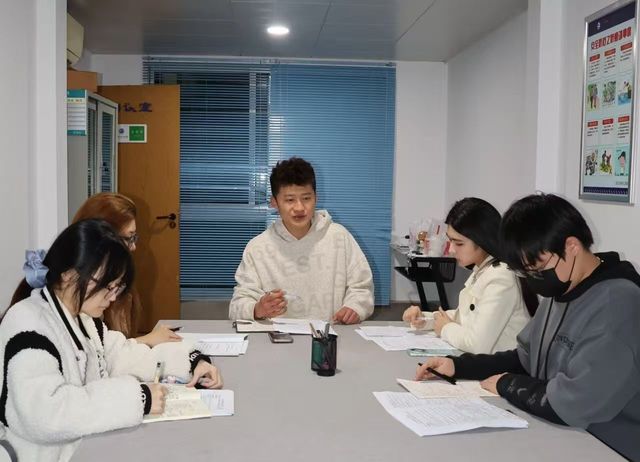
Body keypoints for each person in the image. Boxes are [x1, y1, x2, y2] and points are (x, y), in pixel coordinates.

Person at [415, 193, 640, 461]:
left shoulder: (618, 303)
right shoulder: (565, 289)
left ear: (571, 246)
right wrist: (459, 366)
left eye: (537, 267)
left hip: (609, 445)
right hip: (560, 433)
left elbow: (574, 402)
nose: (533, 279)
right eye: (525, 271)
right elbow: (525, 359)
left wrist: (507, 384)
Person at [2, 220, 223, 461]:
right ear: (69, 276)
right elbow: (45, 415)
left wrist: (191, 361)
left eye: (117, 287)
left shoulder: (83, 319)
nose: (113, 297)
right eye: (108, 287)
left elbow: (122, 355)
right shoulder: (28, 323)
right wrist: (138, 398)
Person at [229, 157, 374, 324]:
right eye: (290, 200)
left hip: (330, 334)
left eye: (306, 198)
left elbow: (362, 287)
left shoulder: (339, 237)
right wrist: (257, 309)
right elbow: (237, 305)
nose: (299, 208)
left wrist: (355, 307)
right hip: (276, 336)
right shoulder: (258, 247)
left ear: (316, 198)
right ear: (274, 202)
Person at [403, 198, 536, 354]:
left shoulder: (501, 277)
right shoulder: (483, 269)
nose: (451, 250)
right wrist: (425, 319)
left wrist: (445, 328)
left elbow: (476, 345)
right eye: (450, 241)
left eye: (459, 243)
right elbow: (464, 317)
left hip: (501, 366)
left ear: (482, 240)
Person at [73, 193, 180, 347]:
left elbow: (112, 345)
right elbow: (97, 351)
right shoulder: (80, 286)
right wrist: (147, 340)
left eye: (134, 237)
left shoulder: (118, 279)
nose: (133, 246)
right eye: (129, 238)